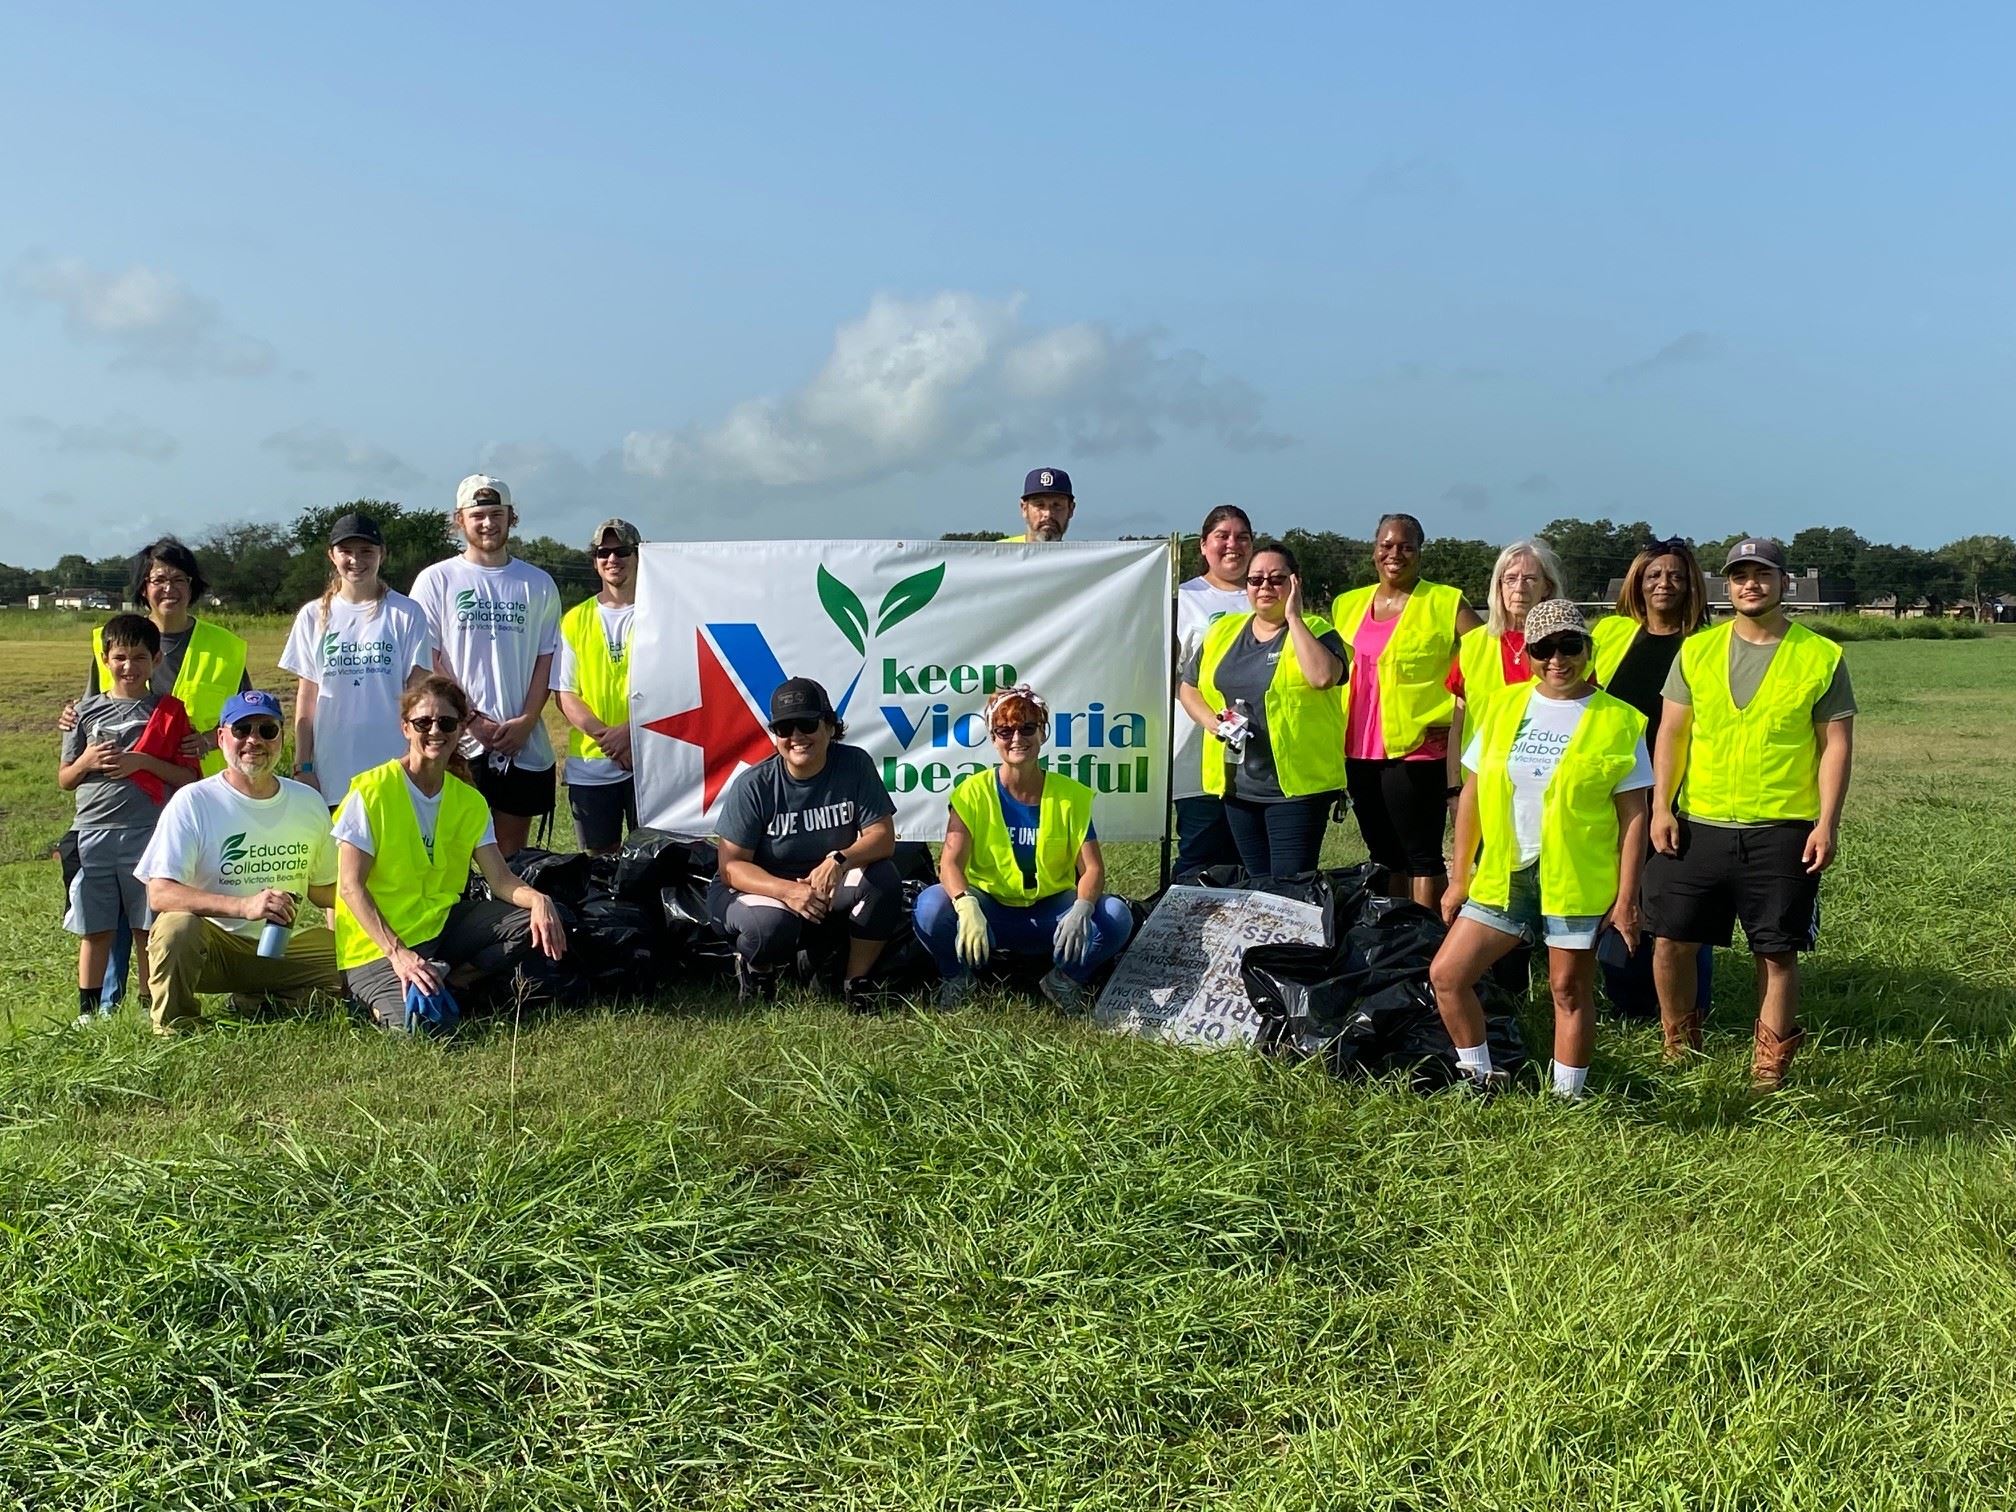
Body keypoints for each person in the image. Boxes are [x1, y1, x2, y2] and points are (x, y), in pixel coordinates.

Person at [1642, 538, 1856, 1090]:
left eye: (1762, 575)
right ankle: (1679, 1046)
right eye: (1740, 576)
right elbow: (1671, 732)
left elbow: (1835, 744)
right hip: (1698, 824)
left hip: (1782, 828)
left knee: (1776, 951)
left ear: (1783, 583)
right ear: (1727, 585)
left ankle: (1768, 1069)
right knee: (1670, 941)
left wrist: (1826, 822)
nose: (1750, 585)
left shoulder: (1821, 655)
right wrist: (1662, 805)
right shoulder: (1697, 651)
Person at [1432, 601, 1652, 1098]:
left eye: (1570, 646)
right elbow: (1473, 793)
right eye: (1543, 648)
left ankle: (1567, 1099)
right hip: (1506, 874)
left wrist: (1626, 899)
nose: (1558, 659)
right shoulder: (1505, 706)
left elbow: (1633, 817)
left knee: (1567, 990)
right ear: (1527, 654)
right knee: (1447, 975)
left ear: (1588, 649)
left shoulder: (1620, 721)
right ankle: (1480, 1078)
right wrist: (1461, 876)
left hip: (1576, 878)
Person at [63, 537, 252, 1013]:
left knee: (173, 898)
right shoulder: (113, 636)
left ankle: (182, 993)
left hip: (197, 792)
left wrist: (210, 739)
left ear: (194, 586)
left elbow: (244, 716)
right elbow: (91, 709)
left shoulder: (225, 647)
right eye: (159, 579)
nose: (169, 588)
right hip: (118, 803)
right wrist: (71, 719)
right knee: (110, 908)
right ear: (143, 587)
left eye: (180, 579)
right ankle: (105, 1004)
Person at [332, 676, 569, 1030]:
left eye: (446, 723)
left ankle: (450, 980)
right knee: (425, 1027)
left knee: (538, 924)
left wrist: (538, 899)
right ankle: (378, 992)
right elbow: (350, 887)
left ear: (461, 730)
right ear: (405, 728)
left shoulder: (469, 801)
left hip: (441, 928)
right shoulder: (371, 791)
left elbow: (501, 880)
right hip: (377, 946)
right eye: (423, 723)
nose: (434, 731)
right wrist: (398, 954)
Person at [914, 685, 1137, 1012]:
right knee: (930, 906)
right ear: (993, 738)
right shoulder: (971, 793)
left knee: (1116, 915)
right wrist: (965, 905)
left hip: (1051, 914)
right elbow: (949, 864)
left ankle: (1065, 979)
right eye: (1005, 731)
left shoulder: (1070, 795)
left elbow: (1092, 868)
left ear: (1043, 732)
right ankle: (957, 978)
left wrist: (1082, 908)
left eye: (1027, 728)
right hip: (988, 911)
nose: (1017, 738)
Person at [136, 691, 343, 1035]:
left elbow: (324, 889)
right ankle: (176, 1025)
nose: (254, 740)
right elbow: (159, 893)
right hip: (214, 949)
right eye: (242, 729)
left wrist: (390, 898)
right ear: (221, 738)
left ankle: (261, 1000)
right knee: (176, 929)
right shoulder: (194, 801)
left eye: (267, 730)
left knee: (355, 958)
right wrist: (243, 906)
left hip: (282, 946)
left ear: (281, 736)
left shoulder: (308, 802)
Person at [708, 677, 904, 1007]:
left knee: (883, 880)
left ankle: (856, 983)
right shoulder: (754, 784)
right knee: (768, 926)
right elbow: (731, 867)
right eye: (784, 729)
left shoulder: (854, 764)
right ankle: (757, 970)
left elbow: (883, 837)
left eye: (807, 724)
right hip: (763, 888)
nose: (796, 736)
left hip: (823, 886)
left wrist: (839, 860)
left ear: (830, 726)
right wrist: (787, 891)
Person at [1330, 513, 1482, 909]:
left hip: (1417, 749)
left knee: (1421, 855)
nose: (1394, 553)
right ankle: (1392, 938)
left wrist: (1452, 714)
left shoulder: (1445, 601)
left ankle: (1428, 942)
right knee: (1383, 853)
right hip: (1358, 748)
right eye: (1387, 545)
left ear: (1419, 552)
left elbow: (1485, 658)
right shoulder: (1346, 605)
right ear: (1374, 550)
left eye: (1405, 546)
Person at [1589, 537, 1713, 1018]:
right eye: (1653, 575)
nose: (1664, 584)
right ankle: (1627, 997)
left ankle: (1690, 1003)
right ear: (1638, 583)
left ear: (1691, 586)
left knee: (1676, 901)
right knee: (1620, 891)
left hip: (1681, 790)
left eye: (1675, 576)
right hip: (1616, 787)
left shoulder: (1704, 645)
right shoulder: (1612, 634)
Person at [408, 474, 562, 858]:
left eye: (497, 514)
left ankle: (504, 918)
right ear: (459, 520)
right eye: (477, 515)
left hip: (519, 744)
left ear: (513, 518)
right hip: (453, 739)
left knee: (509, 856)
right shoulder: (436, 580)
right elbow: (429, 658)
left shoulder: (538, 583)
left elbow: (547, 658)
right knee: (448, 851)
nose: (488, 523)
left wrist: (526, 720)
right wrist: (469, 717)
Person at [57, 615, 202, 1025]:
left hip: (149, 833)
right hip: (92, 833)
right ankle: (88, 1012)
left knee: (147, 927)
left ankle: (147, 1004)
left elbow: (187, 777)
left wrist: (143, 762)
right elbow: (65, 779)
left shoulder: (170, 712)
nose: (129, 666)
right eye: (120, 657)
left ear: (156, 659)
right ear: (104, 659)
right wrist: (86, 760)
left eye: (140, 657)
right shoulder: (83, 712)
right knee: (94, 927)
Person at [1178, 541, 1347, 878]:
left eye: (1276, 579)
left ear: (1294, 583)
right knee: (1258, 887)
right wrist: (1213, 723)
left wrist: (1293, 618)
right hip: (1239, 788)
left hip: (1296, 791)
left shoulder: (1317, 631)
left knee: (1289, 890)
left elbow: (1323, 676)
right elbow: (1189, 687)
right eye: (1255, 580)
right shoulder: (1223, 632)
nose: (1265, 587)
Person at [279, 511, 434, 808]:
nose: (356, 560)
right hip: (331, 774)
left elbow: (419, 698)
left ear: (382, 554)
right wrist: (303, 766)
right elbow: (307, 699)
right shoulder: (313, 616)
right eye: (346, 551)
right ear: (331, 556)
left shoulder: (407, 613)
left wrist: (418, 760)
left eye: (366, 551)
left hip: (394, 769)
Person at [1171, 505, 1257, 876]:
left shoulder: (1268, 594)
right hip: (1197, 754)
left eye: (1242, 537)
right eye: (1222, 536)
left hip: (1260, 757)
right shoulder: (1183, 598)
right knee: (1200, 851)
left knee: (1252, 856)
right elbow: (1171, 673)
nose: (1232, 545)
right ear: (1204, 545)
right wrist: (1212, 719)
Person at [554, 519, 641, 854]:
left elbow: (676, 686)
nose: (612, 559)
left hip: (649, 759)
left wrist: (632, 732)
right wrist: (610, 740)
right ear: (594, 560)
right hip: (590, 767)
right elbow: (565, 693)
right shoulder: (574, 619)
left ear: (638, 556)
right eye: (603, 552)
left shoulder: (661, 613)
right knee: (597, 871)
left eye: (622, 551)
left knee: (655, 866)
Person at [1003, 467, 1075, 542]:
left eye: (1056, 505)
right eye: (1040, 505)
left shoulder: (1081, 553)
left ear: (1071, 509)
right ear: (1024, 508)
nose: (1048, 514)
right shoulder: (999, 551)